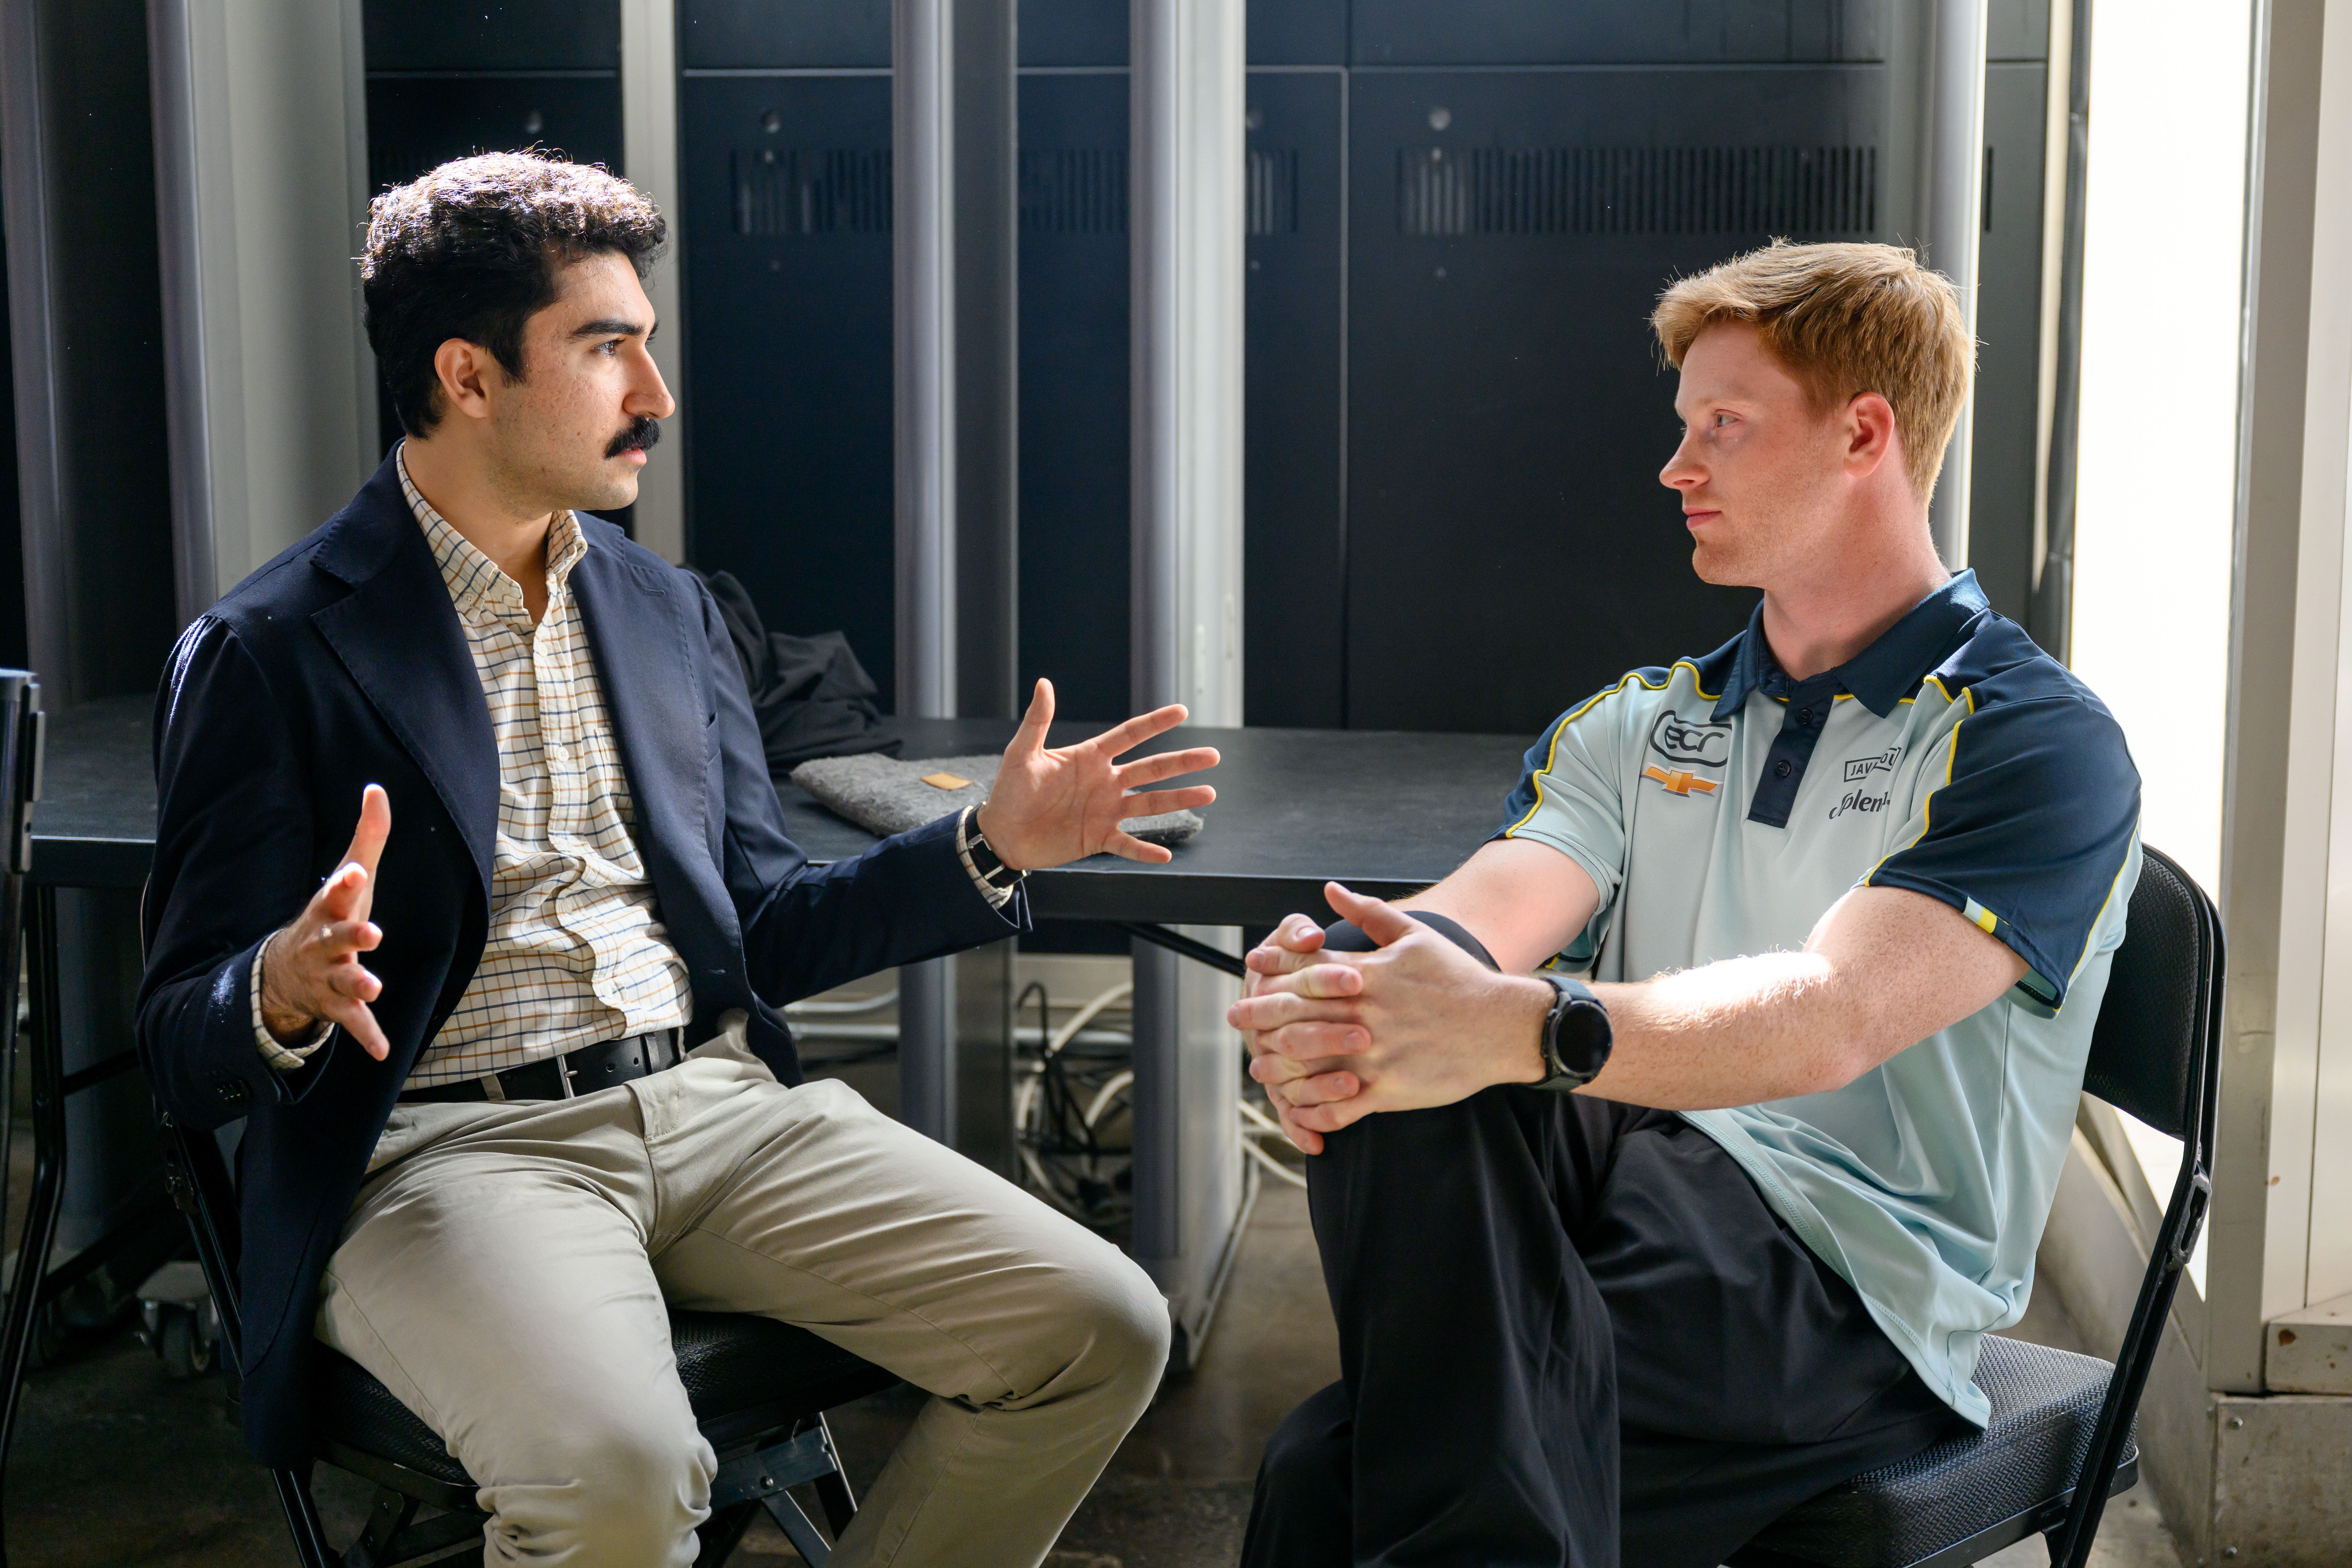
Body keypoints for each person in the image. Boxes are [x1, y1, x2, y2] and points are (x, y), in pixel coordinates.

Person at [137, 152, 1217, 1568]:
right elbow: (174, 1040)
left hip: (712, 1110)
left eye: (646, 343)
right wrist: (277, 986)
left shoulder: (664, 612)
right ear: (467, 377)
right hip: (448, 1154)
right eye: (605, 348)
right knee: (620, 1480)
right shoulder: (273, 647)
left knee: (1100, 1326)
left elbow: (762, 928)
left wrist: (985, 846)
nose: (654, 394)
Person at [1231, 241, 2141, 1568]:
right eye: (1683, 428)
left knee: (1327, 1476)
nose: (1677, 467)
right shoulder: (1642, 721)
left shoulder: (2030, 742)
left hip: (1852, 1284)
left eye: (1722, 426)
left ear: (1861, 435)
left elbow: (1834, 1013)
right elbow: (1486, 912)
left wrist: (1537, 1029)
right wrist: (1335, 983)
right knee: (1391, 1020)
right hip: (1640, 1180)